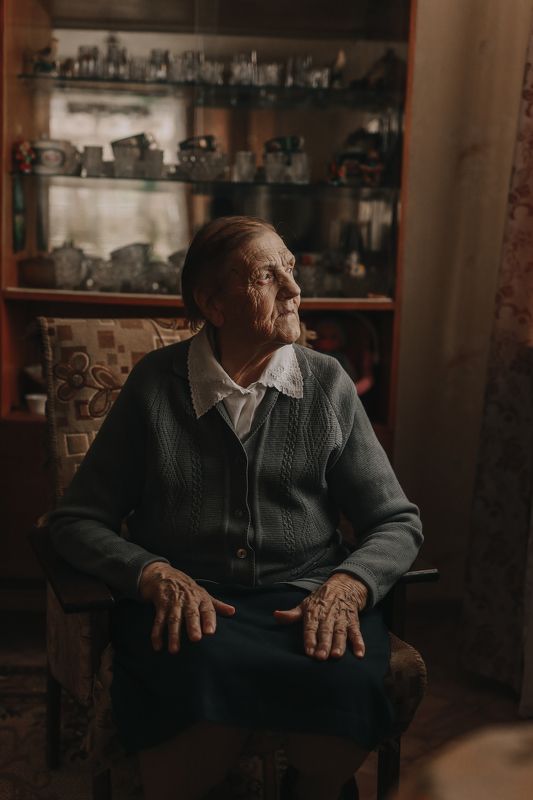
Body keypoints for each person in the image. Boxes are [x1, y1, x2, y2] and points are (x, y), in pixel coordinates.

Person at [49, 216, 423, 800]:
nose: (295, 290)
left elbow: (396, 520)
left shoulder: (328, 384)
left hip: (307, 596)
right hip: (189, 601)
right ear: (214, 304)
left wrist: (349, 585)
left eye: (290, 270)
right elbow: (75, 522)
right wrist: (151, 574)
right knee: (191, 723)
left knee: (339, 697)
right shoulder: (155, 386)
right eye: (267, 277)